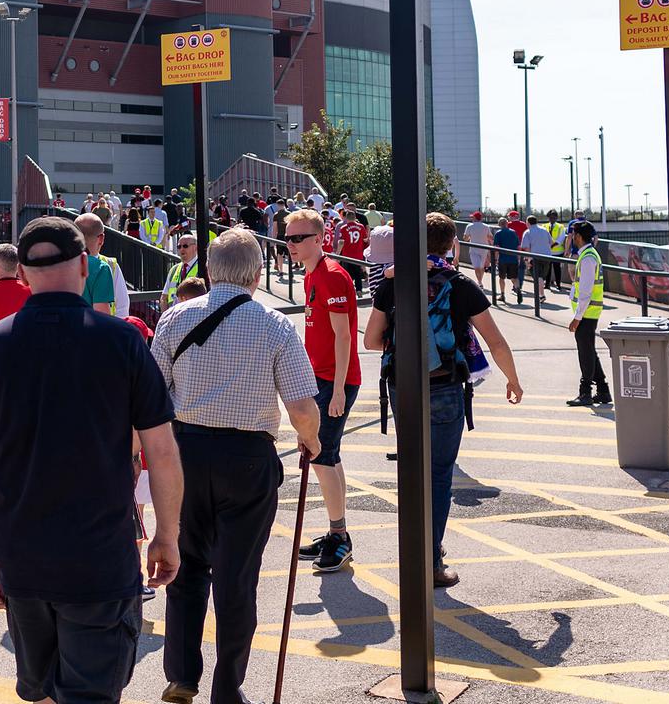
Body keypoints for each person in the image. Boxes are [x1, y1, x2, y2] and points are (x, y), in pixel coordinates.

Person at [0, 217, 183, 704]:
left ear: (21, 274)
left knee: (42, 690)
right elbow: (162, 453)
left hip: (21, 557)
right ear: (83, 264)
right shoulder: (122, 341)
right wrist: (167, 535)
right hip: (99, 558)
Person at [151, 228, 320, 704]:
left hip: (184, 454)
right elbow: (302, 408)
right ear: (258, 274)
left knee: (185, 568)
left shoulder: (175, 317)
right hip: (247, 459)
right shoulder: (275, 325)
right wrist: (311, 441)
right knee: (237, 579)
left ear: (209, 269)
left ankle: (182, 675)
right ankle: (227, 689)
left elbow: (151, 396)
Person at [365, 212, 525, 589]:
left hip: (402, 388)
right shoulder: (460, 284)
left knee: (412, 471)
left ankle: (412, 553)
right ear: (452, 244)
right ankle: (431, 559)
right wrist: (513, 381)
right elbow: (496, 342)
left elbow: (370, 341)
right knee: (439, 476)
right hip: (445, 386)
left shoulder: (393, 283)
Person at [283, 208, 361, 572]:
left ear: (319, 238)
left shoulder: (330, 276)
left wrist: (340, 390)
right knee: (329, 454)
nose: (291, 244)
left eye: (298, 238)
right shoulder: (311, 274)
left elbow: (344, 336)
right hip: (321, 377)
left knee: (321, 455)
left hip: (334, 380)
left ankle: (339, 536)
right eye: (288, 238)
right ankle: (336, 532)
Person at [563, 221, 611, 408]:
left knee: (585, 353)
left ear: (579, 236)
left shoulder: (588, 257)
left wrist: (577, 317)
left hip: (587, 312)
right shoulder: (588, 254)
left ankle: (585, 393)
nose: (572, 237)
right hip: (588, 312)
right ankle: (603, 390)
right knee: (589, 350)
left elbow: (585, 291)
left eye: (573, 234)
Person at [74, 212, 129, 317]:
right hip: (103, 325)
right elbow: (122, 307)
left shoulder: (62, 265)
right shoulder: (108, 266)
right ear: (101, 239)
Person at [519, 213, 554, 304]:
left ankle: (541, 295)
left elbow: (526, 248)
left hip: (535, 257)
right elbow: (551, 242)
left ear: (528, 223)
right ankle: (541, 294)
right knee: (541, 276)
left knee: (538, 277)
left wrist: (527, 260)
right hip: (547, 256)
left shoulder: (527, 232)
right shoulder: (544, 230)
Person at [162, 233, 200, 309]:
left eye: (185, 246)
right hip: (173, 313)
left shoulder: (203, 268)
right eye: (179, 247)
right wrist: (166, 314)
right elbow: (164, 298)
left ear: (195, 247)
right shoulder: (174, 269)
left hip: (192, 313)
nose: (181, 249)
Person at [338, 208, 370, 292]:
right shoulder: (361, 226)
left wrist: (338, 254)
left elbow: (341, 242)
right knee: (358, 274)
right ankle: (359, 290)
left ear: (346, 218)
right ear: (355, 217)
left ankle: (348, 290)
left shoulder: (343, 228)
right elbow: (365, 239)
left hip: (347, 255)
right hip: (358, 255)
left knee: (347, 274)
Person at [492, 217, 522, 303]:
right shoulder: (513, 232)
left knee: (501, 278)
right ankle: (518, 289)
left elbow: (497, 248)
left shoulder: (498, 233)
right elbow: (518, 246)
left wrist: (495, 259)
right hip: (513, 258)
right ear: (507, 223)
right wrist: (518, 258)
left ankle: (502, 295)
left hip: (503, 259)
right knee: (514, 277)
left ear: (499, 224)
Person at [463, 212, 493, 285]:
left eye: (472, 217)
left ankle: (479, 281)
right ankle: (480, 281)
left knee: (477, 266)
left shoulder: (469, 226)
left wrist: (470, 237)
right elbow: (490, 237)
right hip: (484, 249)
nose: (471, 218)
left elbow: (465, 239)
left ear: (475, 218)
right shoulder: (486, 226)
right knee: (481, 267)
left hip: (474, 249)